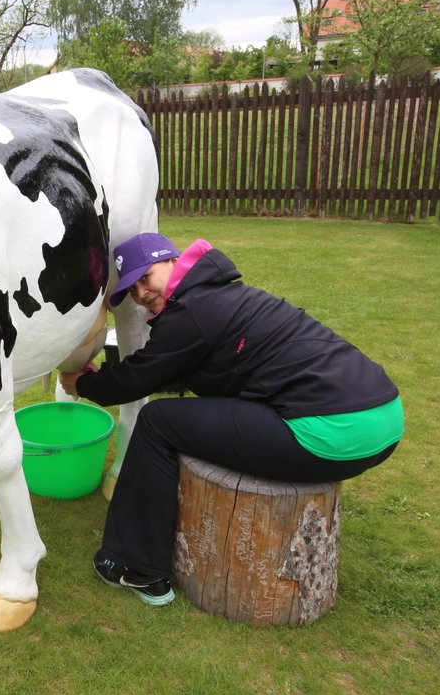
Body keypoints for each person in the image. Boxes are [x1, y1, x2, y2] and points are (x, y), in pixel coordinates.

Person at [60, 233, 403, 607]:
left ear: (172, 262)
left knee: (157, 422)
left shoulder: (190, 313)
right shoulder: (223, 295)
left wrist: (85, 382)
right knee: (189, 412)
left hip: (329, 434)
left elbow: (135, 379)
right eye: (132, 290)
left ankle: (135, 566)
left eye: (146, 278)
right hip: (384, 420)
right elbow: (189, 371)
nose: (141, 294)